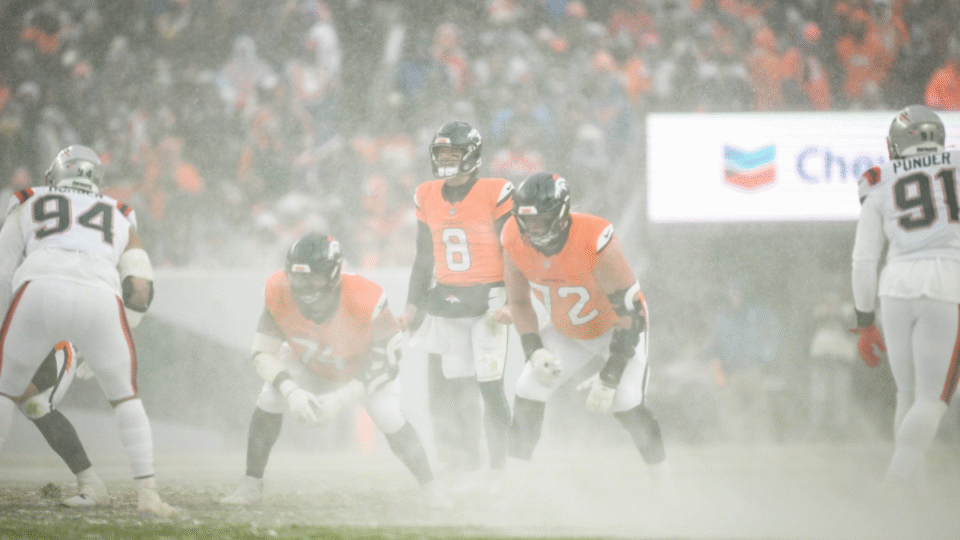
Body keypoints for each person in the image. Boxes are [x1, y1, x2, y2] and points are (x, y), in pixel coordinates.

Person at [0, 145, 176, 517]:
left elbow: (2, 275)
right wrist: (116, 338)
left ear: (54, 177)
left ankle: (92, 482)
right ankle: (149, 495)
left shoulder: (29, 199)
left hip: (40, 289)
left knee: (3, 389)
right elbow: (141, 286)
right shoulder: (120, 212)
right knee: (125, 397)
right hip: (101, 298)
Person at [220, 232, 451, 508]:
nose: (305, 286)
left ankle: (430, 488)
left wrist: (340, 398)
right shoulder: (278, 290)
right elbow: (263, 352)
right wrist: (291, 391)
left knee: (389, 416)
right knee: (270, 397)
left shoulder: (365, 297)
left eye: (313, 277)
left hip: (361, 369)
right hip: (309, 362)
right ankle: (250, 486)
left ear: (333, 274)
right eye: (298, 277)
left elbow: (386, 365)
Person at [500, 172, 671, 493]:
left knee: (625, 401)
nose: (533, 230)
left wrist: (610, 374)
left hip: (615, 329)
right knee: (528, 389)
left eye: (542, 220)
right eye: (528, 222)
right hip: (567, 330)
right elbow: (520, 302)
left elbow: (630, 312)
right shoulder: (512, 237)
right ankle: (512, 488)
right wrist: (534, 350)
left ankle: (665, 488)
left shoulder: (594, 239)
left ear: (563, 215)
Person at [396, 120, 514, 494]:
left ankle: (500, 469)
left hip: (489, 300)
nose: (446, 159)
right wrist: (412, 305)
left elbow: (512, 249)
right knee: (444, 389)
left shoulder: (496, 191)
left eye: (454, 153)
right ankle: (459, 462)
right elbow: (423, 256)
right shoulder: (426, 194)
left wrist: (513, 298)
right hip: (446, 300)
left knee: (490, 388)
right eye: (442, 153)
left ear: (473, 156)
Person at [850, 104, 960, 493]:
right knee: (933, 400)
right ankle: (893, 488)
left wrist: (864, 322)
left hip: (894, 285)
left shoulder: (878, 178)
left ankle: (917, 493)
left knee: (908, 396)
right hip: (948, 282)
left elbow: (863, 259)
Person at [703, 278, 783, 443]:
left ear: (744, 294)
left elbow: (773, 335)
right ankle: (737, 445)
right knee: (733, 410)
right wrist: (717, 366)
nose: (735, 297)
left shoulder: (757, 315)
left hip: (752, 369)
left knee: (759, 409)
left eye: (738, 293)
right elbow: (714, 343)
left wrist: (765, 356)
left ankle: (765, 444)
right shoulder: (722, 318)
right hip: (731, 371)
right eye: (732, 293)